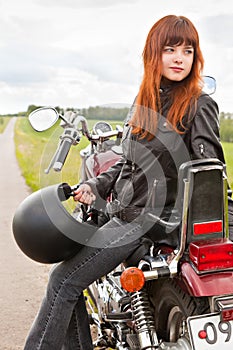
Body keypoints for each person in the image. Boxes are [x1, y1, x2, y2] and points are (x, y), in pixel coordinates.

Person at [24, 15, 230, 350]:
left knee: (62, 281)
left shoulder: (197, 104)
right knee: (73, 281)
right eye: (170, 49)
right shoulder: (144, 104)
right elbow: (129, 163)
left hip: (144, 223)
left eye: (187, 50)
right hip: (131, 214)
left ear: (196, 58)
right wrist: (98, 185)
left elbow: (208, 172)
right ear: (153, 54)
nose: (179, 57)